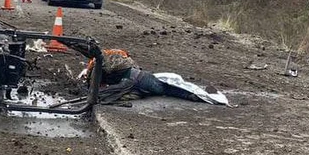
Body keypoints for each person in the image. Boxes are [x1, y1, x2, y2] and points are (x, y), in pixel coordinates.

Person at [84, 50, 227, 105]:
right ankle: (194, 95)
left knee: (166, 87)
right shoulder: (107, 62)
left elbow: (97, 89)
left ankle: (194, 95)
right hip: (139, 79)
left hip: (139, 80)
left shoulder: (100, 69)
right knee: (165, 87)